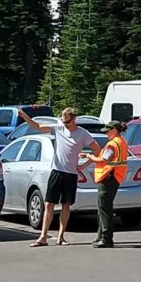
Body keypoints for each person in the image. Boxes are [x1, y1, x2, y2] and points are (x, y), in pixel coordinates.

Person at [18, 105, 93, 247]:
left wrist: (83, 165)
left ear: (74, 119)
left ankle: (61, 236)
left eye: (67, 122)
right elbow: (38, 127)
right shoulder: (58, 128)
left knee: (66, 205)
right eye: (63, 121)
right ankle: (43, 236)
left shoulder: (83, 133)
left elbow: (97, 149)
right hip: (56, 171)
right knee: (49, 204)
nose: (64, 124)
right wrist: (25, 116)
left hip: (71, 174)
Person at [90, 120, 128, 249]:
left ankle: (106, 239)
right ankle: (100, 236)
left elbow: (103, 159)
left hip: (108, 177)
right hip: (115, 177)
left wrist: (90, 157)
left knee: (105, 210)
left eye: (108, 130)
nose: (106, 133)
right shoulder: (121, 142)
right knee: (104, 208)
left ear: (114, 130)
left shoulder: (112, 144)